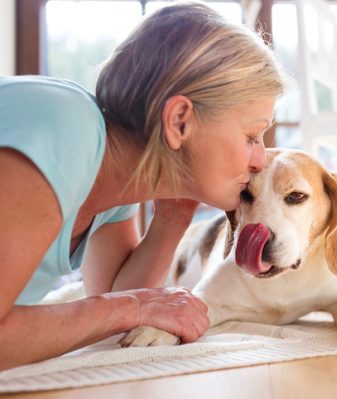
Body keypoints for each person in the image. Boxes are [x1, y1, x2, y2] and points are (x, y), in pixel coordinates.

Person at [0, 3, 287, 370]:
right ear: (180, 121)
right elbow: (123, 306)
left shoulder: (114, 175)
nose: (260, 159)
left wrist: (172, 219)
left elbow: (110, 305)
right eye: (251, 135)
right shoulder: (64, 131)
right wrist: (132, 306)